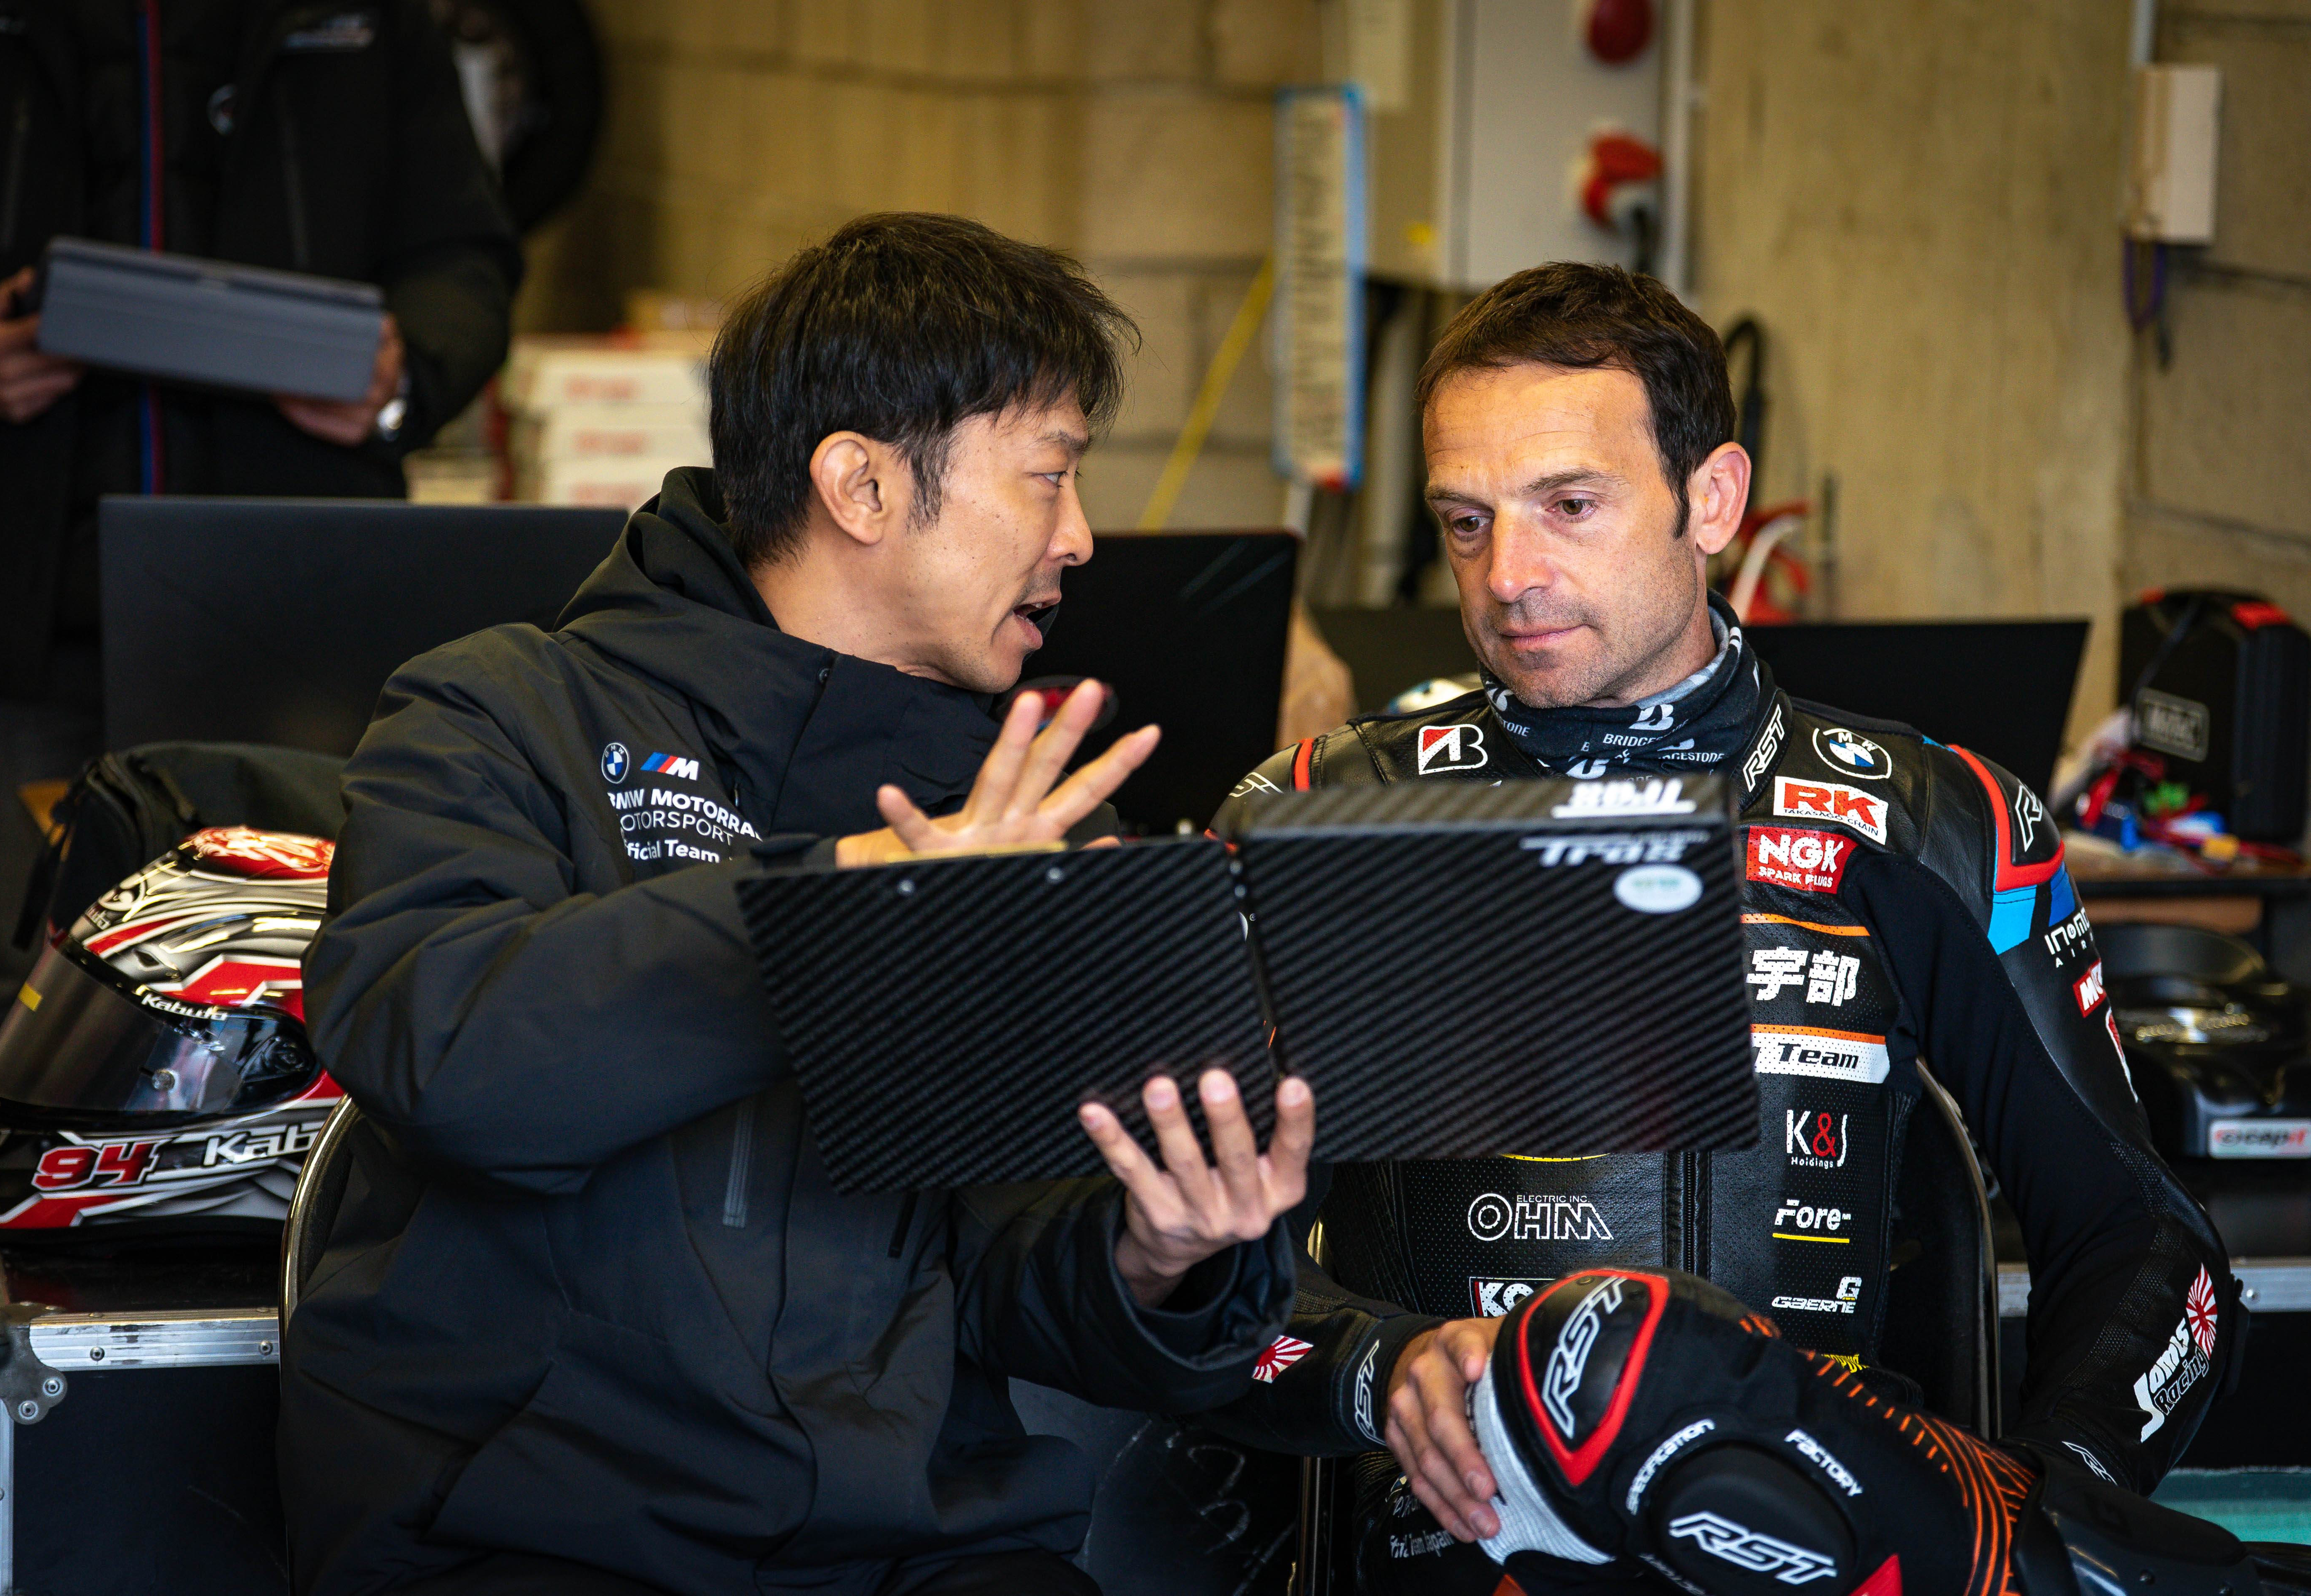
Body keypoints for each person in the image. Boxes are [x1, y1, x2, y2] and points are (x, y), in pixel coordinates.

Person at [281, 213, 1317, 1596]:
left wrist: (1156, 1253)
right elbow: (449, 1051)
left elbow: (1011, 1268)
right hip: (530, 1530)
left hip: (909, 1548)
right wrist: (857, 907)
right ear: (862, 486)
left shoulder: (1025, 811)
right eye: (1049, 475)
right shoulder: (502, 711)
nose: (1078, 537)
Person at [1206, 263, 2240, 1593]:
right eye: (1466, 521)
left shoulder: (1938, 822)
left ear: (1714, 499)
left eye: (1570, 506)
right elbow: (1167, 1269)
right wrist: (1375, 1366)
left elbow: (2152, 1251)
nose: (1508, 576)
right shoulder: (1312, 814)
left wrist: (2026, 1515)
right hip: (1449, 1552)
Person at [0, 0, 520, 1083]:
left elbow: (463, 254)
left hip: (292, 626)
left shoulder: (372, 19)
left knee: (307, 1001)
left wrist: (402, 375)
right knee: (6, 1015)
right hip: (9, 622)